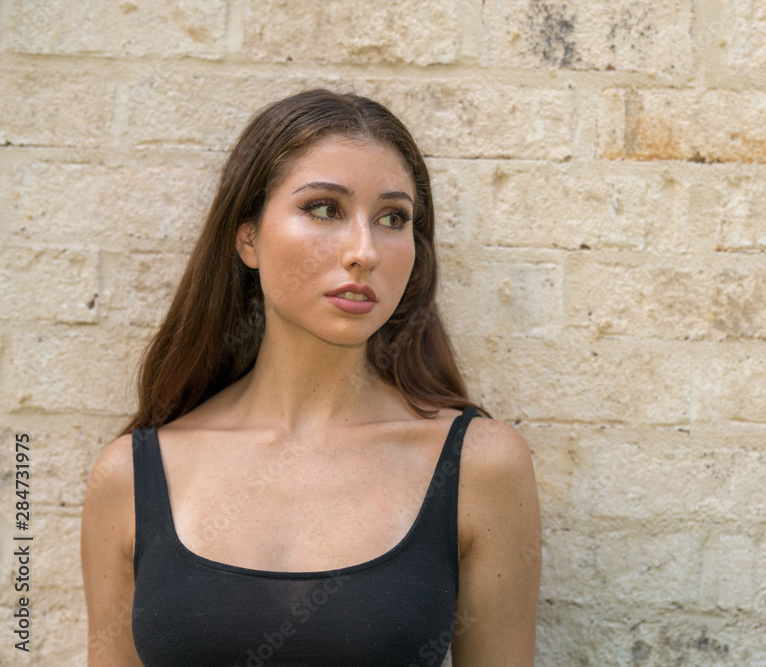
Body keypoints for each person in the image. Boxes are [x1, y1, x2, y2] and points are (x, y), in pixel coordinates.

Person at [80, 89, 542, 666]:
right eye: (324, 208)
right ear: (247, 237)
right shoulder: (130, 476)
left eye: (393, 218)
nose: (364, 250)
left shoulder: (478, 465)